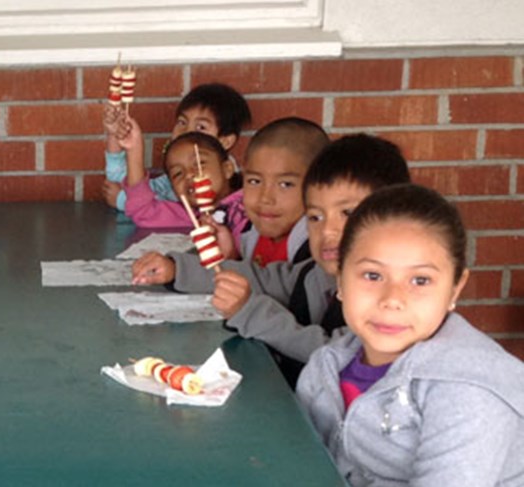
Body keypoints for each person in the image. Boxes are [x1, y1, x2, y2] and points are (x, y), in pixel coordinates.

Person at [133, 134, 411, 387]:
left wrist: (251, 312)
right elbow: (263, 279)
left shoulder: (389, 299)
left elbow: (336, 355)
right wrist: (178, 270)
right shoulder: (316, 274)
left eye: (348, 213)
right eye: (316, 216)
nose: (328, 231)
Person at [298, 184, 524, 486]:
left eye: (420, 280)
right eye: (373, 275)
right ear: (340, 277)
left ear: (455, 288)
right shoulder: (325, 367)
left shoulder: (469, 391)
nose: (393, 298)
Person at [103, 83, 251, 212]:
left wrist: (124, 201)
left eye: (201, 127)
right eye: (182, 122)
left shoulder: (220, 182)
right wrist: (115, 134)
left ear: (226, 141)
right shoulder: (177, 172)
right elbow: (121, 180)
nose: (186, 132)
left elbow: (178, 213)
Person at [117, 127, 247, 255]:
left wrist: (232, 254)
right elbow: (142, 209)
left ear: (227, 169)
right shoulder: (188, 216)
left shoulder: (250, 207)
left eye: (199, 164)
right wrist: (134, 151)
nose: (189, 174)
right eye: (178, 173)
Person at [234, 117, 329, 266]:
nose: (265, 198)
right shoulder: (250, 232)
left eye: (285, 184)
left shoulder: (316, 245)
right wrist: (231, 256)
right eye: (254, 181)